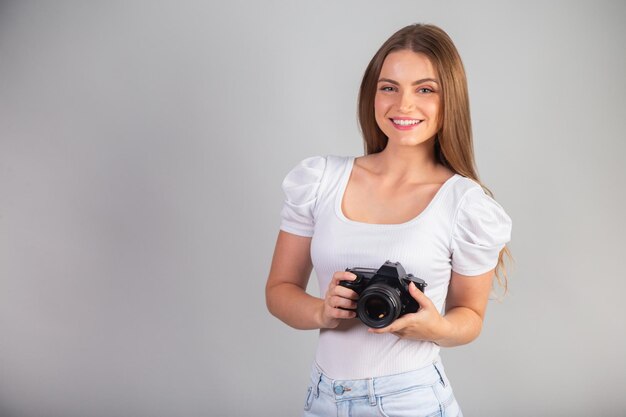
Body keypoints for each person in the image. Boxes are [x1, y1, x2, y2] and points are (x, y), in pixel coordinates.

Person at [265, 23, 512, 417]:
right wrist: (321, 312)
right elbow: (279, 291)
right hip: (323, 398)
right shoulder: (319, 180)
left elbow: (470, 316)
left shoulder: (465, 205)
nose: (404, 105)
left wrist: (436, 329)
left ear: (450, 100)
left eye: (425, 89)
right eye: (389, 87)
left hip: (410, 400)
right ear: (372, 95)